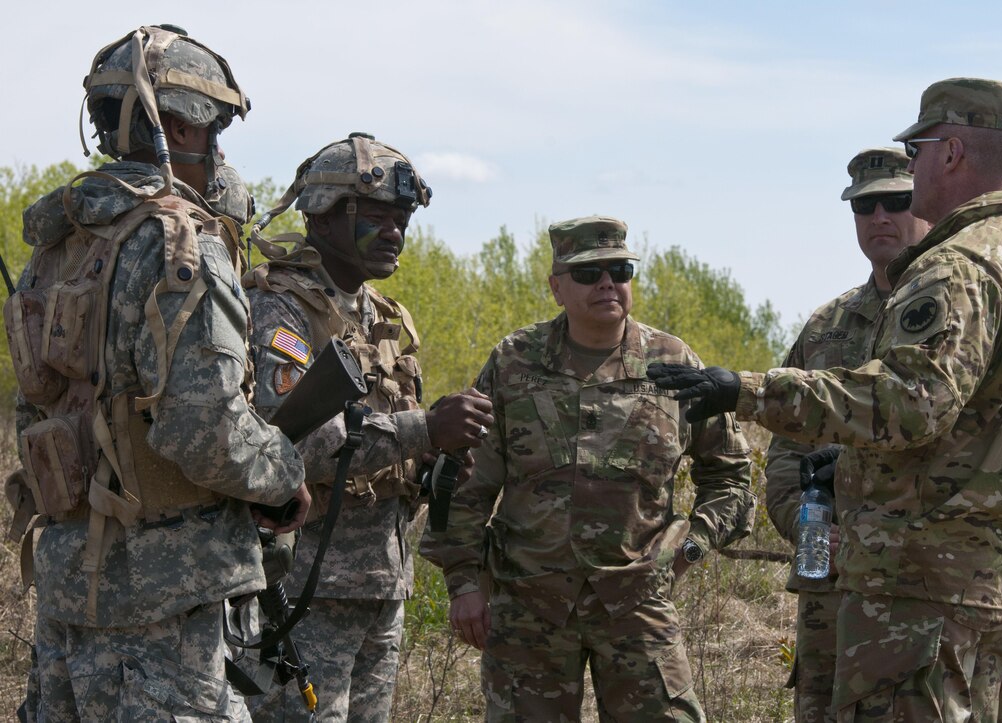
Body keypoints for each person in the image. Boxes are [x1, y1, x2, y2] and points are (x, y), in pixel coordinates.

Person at [649, 78, 1002, 721]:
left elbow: (911, 403)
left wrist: (747, 389)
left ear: (953, 153)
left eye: (919, 151)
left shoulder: (956, 267)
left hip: (921, 590)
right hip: (985, 586)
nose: (912, 167)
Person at [9, 25, 308, 720]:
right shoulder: (182, 246)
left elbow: (40, 408)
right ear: (177, 125)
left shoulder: (55, 249)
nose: (218, 154)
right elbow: (206, 431)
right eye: (215, 134)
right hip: (170, 610)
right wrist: (283, 474)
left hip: (67, 590)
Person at [420, 215, 755, 721]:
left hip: (637, 601)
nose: (607, 283)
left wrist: (689, 547)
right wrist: (465, 582)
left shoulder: (673, 361)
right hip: (529, 605)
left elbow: (730, 474)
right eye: (588, 273)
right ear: (557, 287)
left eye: (620, 270)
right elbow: (467, 478)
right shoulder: (514, 361)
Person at [243, 134, 495, 722]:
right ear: (324, 218)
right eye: (377, 217)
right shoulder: (280, 310)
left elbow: (394, 439)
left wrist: (439, 461)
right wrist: (427, 428)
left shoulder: (381, 318)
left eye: (401, 220)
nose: (394, 232)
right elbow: (293, 446)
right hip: (307, 585)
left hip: (382, 580)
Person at [763, 147, 929, 723]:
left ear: (924, 202)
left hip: (921, 589)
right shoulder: (825, 328)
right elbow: (785, 449)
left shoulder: (955, 312)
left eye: (897, 201)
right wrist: (804, 526)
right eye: (865, 206)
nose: (880, 216)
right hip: (830, 587)